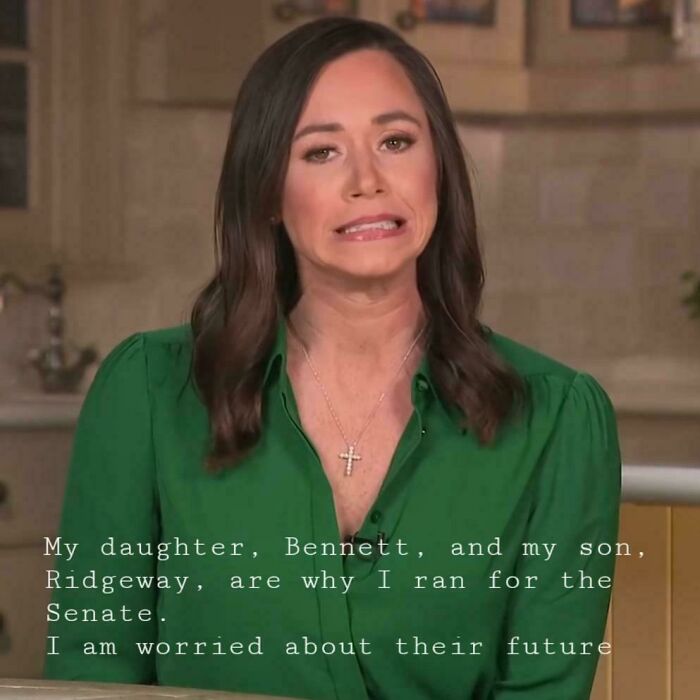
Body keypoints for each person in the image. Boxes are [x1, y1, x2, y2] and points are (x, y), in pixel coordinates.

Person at [43, 15, 621, 700]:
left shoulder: (557, 418)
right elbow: (91, 678)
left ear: (438, 169)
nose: (367, 180)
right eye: (321, 152)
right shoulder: (146, 393)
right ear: (267, 193)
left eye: (396, 141)